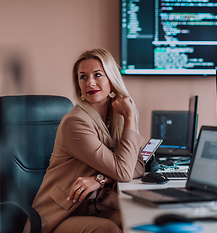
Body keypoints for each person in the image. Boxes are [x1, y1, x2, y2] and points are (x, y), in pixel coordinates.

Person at [23, 48, 145, 233]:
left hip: (90, 209)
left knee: (136, 220)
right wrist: (130, 118)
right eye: (83, 77)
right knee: (109, 230)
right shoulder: (76, 123)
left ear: (112, 80)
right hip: (59, 216)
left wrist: (100, 180)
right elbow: (124, 171)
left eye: (98, 75)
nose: (90, 82)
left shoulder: (115, 120)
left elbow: (137, 166)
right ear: (78, 85)